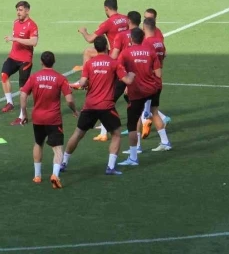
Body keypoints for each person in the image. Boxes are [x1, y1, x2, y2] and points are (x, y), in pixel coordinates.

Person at [61, 36, 135, 176]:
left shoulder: (89, 63)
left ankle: (63, 162)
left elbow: (82, 83)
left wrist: (87, 83)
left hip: (90, 105)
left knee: (78, 133)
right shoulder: (114, 63)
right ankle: (110, 167)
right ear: (107, 47)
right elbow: (127, 81)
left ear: (95, 48)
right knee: (116, 134)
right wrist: (132, 73)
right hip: (106, 106)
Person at [19, 51, 77, 189]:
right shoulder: (60, 78)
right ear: (54, 61)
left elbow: (23, 95)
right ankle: (55, 175)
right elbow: (69, 100)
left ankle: (37, 175)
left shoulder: (34, 77)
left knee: (38, 143)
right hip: (53, 119)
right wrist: (74, 110)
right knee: (57, 148)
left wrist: (24, 114)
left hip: (38, 118)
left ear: (41, 62)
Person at [118, 28, 168, 166]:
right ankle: (165, 142)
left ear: (131, 39)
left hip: (136, 92)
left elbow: (119, 69)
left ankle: (134, 155)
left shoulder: (126, 52)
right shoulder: (151, 51)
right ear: (142, 38)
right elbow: (158, 73)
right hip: (152, 89)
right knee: (154, 112)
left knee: (132, 124)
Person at [94, 10, 141, 142]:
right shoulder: (141, 35)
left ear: (128, 21)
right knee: (135, 102)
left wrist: (104, 64)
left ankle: (104, 132)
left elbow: (114, 56)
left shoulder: (121, 36)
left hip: (122, 73)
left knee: (108, 100)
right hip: (137, 73)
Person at [1, 0, 39, 126]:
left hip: (25, 60)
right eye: (17, 10)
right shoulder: (15, 22)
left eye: (21, 10)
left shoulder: (32, 25)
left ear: (27, 11)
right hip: (13, 57)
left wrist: (15, 39)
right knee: (4, 75)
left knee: (23, 89)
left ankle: (22, 116)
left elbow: (34, 42)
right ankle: (10, 103)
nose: (18, 12)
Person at [74, 0, 129, 70]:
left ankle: (86, 72)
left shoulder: (108, 23)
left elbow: (90, 39)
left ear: (106, 8)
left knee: (88, 51)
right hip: (128, 54)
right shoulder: (126, 18)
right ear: (116, 7)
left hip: (115, 55)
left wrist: (83, 31)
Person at [141, 16, 170, 141]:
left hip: (148, 81)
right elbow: (164, 55)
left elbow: (144, 62)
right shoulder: (159, 42)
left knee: (136, 107)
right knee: (154, 111)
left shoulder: (146, 43)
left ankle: (136, 146)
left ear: (144, 28)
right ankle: (165, 141)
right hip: (157, 80)